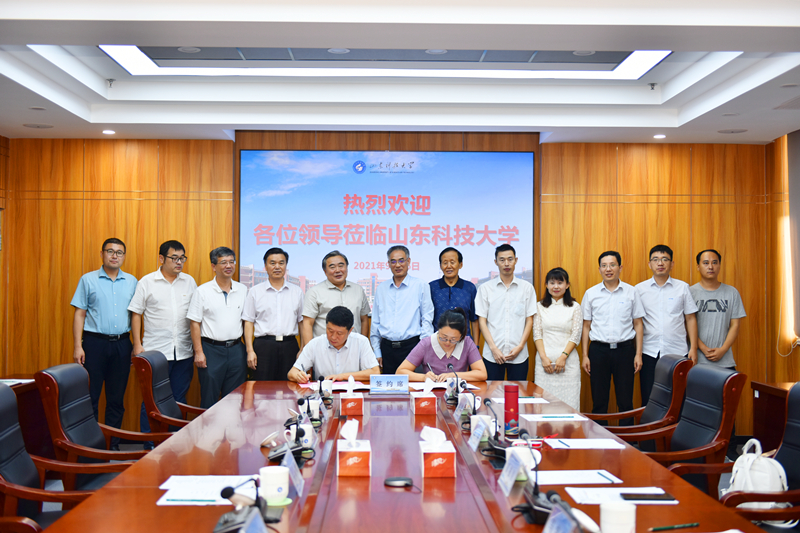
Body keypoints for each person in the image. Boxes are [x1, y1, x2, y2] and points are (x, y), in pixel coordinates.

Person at [129, 240, 197, 448]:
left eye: (182, 258)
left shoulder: (189, 282)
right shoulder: (147, 282)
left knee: (179, 399)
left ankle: (175, 443)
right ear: (161, 258)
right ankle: (149, 443)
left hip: (183, 352)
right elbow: (136, 313)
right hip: (155, 354)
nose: (179, 262)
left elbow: (195, 316)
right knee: (152, 400)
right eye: (174, 258)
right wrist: (137, 344)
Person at [70, 238, 137, 449]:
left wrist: (136, 344)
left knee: (116, 399)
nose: (115, 256)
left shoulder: (132, 281)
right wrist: (78, 346)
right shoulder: (88, 280)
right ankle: (91, 447)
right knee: (90, 398)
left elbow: (136, 315)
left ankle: (112, 445)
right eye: (110, 251)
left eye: (119, 252)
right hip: (94, 344)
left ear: (124, 256)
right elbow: (79, 314)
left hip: (122, 345)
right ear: (102, 254)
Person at [690, 249, 746, 459]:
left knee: (727, 409)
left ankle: (729, 450)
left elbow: (735, 325)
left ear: (719, 265)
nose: (710, 266)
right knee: (699, 408)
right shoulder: (690, 292)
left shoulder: (731, 292)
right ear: (698, 266)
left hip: (725, 361)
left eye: (714, 262)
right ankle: (699, 450)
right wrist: (702, 347)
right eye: (706, 262)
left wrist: (722, 349)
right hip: (698, 362)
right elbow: (687, 324)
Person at [581, 251, 645, 425]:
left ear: (620, 267)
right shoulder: (591, 293)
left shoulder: (631, 292)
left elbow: (638, 324)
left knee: (625, 402)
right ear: (599, 269)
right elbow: (586, 326)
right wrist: (585, 355)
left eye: (612, 265)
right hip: (598, 351)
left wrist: (638, 354)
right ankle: (600, 438)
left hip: (625, 351)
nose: (608, 269)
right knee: (599, 401)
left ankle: (627, 439)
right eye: (604, 265)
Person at [635, 245, 698, 406]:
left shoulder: (682, 287)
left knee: (678, 398)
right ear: (649, 264)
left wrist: (693, 348)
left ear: (672, 264)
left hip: (677, 351)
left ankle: (675, 424)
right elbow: (637, 322)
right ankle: (652, 424)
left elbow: (690, 318)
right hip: (649, 352)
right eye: (655, 259)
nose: (660, 263)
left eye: (665, 259)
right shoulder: (639, 289)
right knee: (649, 399)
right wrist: (638, 353)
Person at [187, 247, 247, 408]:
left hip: (236, 350)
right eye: (223, 262)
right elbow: (194, 323)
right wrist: (199, 352)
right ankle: (209, 426)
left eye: (231, 262)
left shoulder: (242, 290)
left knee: (235, 398)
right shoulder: (202, 291)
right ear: (213, 266)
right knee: (209, 397)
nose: (229, 266)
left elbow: (246, 321)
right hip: (211, 351)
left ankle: (231, 426)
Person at [370, 245, 434, 374]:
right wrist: (377, 351)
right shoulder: (381, 288)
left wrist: (421, 350)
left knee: (413, 385)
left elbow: (427, 318)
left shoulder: (420, 285)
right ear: (388, 264)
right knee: (388, 386)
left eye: (401, 260)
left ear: (408, 261)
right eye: (393, 261)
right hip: (386, 349)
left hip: (412, 347)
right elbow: (375, 322)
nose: (397, 265)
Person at [476, 244, 536, 381]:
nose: (506, 263)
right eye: (502, 260)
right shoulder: (485, 288)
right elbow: (482, 321)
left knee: (518, 392)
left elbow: (529, 320)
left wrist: (520, 346)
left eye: (510, 259)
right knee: (491, 392)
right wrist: (494, 349)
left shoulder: (527, 288)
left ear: (516, 260)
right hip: (492, 355)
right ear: (495, 262)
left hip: (519, 355)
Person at [242, 247, 303, 381]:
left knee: (290, 386)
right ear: (265, 266)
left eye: (281, 263)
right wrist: (250, 351)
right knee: (262, 386)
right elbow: (248, 322)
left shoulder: (297, 292)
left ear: (286, 266)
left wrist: (302, 349)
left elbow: (302, 322)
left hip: (290, 346)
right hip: (264, 347)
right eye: (272, 263)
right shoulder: (255, 292)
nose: (277, 267)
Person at [532, 268, 582, 410]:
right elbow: (537, 334)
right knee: (542, 408)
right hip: (544, 364)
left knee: (569, 407)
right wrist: (543, 358)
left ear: (567, 285)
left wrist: (563, 357)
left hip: (568, 365)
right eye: (552, 283)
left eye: (560, 283)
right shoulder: (539, 306)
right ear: (546, 285)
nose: (556, 286)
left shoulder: (575, 307)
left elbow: (575, 335)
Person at [289, 307, 380, 383]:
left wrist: (342, 376)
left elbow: (375, 372)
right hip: (324, 394)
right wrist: (298, 376)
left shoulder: (361, 342)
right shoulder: (315, 343)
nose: (333, 337)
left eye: (339, 333)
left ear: (350, 331)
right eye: (330, 330)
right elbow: (292, 372)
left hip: (351, 394)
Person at [397, 308, 487, 382]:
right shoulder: (426, 343)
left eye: (453, 339)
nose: (447, 342)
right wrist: (423, 377)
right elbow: (400, 372)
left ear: (461, 336)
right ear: (438, 330)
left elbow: (482, 374)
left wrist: (453, 375)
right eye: (444, 337)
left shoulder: (467, 343)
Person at [302, 250, 370, 343]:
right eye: (332, 267)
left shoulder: (358, 290)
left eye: (341, 266)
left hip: (353, 347)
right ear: (325, 271)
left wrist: (362, 344)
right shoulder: (314, 292)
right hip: (324, 347)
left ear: (347, 268)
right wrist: (309, 349)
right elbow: (307, 323)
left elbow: (364, 320)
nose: (338, 270)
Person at [430, 247, 479, 343]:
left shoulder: (470, 288)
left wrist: (476, 346)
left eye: (452, 262)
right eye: (445, 263)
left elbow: (474, 320)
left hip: (464, 344)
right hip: (438, 344)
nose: (449, 266)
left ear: (460, 264)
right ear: (440, 266)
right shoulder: (431, 287)